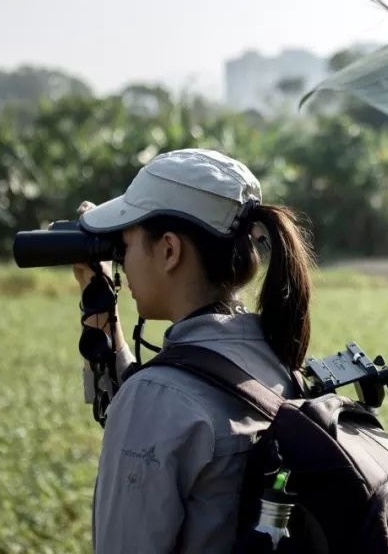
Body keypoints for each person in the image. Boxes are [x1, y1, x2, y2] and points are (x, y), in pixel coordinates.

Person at [72, 148, 315, 553]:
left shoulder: (158, 397)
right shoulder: (274, 359)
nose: (123, 262)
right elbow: (156, 404)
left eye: (126, 243)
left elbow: (156, 407)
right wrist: (97, 301)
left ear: (169, 250)